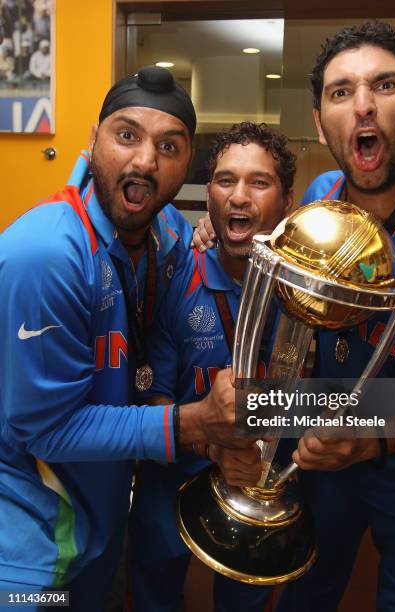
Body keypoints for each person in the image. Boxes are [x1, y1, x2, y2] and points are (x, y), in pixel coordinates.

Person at [192, 21, 395, 612]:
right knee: (308, 594)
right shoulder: (324, 198)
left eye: (385, 86)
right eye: (341, 92)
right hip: (321, 453)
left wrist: (371, 436)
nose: (364, 107)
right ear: (322, 121)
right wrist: (217, 237)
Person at [0, 65, 246, 612]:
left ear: (188, 167)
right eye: (126, 135)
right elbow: (47, 432)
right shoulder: (46, 253)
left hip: (100, 521)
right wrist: (190, 422)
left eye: (169, 145)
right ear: (94, 141)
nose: (143, 160)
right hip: (27, 540)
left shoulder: (168, 235)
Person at [128, 121, 295, 612]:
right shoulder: (177, 273)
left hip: (260, 481)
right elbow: (152, 394)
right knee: (154, 592)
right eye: (225, 180)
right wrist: (211, 443)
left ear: (287, 201)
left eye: (258, 182)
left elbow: (329, 395)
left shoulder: (304, 291)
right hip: (175, 472)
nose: (238, 197)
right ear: (210, 194)